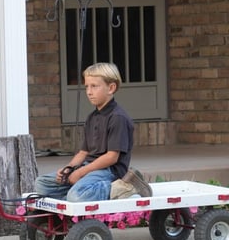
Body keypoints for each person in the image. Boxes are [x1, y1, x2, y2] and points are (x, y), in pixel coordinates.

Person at [32, 62, 151, 202]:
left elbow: (111, 157)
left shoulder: (118, 118)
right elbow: (83, 152)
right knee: (41, 184)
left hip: (109, 171)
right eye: (87, 86)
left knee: (76, 196)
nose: (89, 91)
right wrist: (68, 169)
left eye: (94, 86)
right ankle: (84, 191)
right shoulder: (92, 117)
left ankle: (125, 187)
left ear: (111, 88)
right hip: (89, 168)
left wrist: (81, 172)